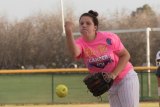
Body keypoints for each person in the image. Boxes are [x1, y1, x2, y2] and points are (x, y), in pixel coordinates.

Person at [65, 10, 139, 107]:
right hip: (110, 84)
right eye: (81, 23)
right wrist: (69, 32)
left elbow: (125, 55)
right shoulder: (80, 43)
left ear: (95, 27)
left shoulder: (108, 38)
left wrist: (113, 74)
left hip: (125, 77)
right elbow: (75, 53)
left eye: (88, 23)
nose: (84, 25)